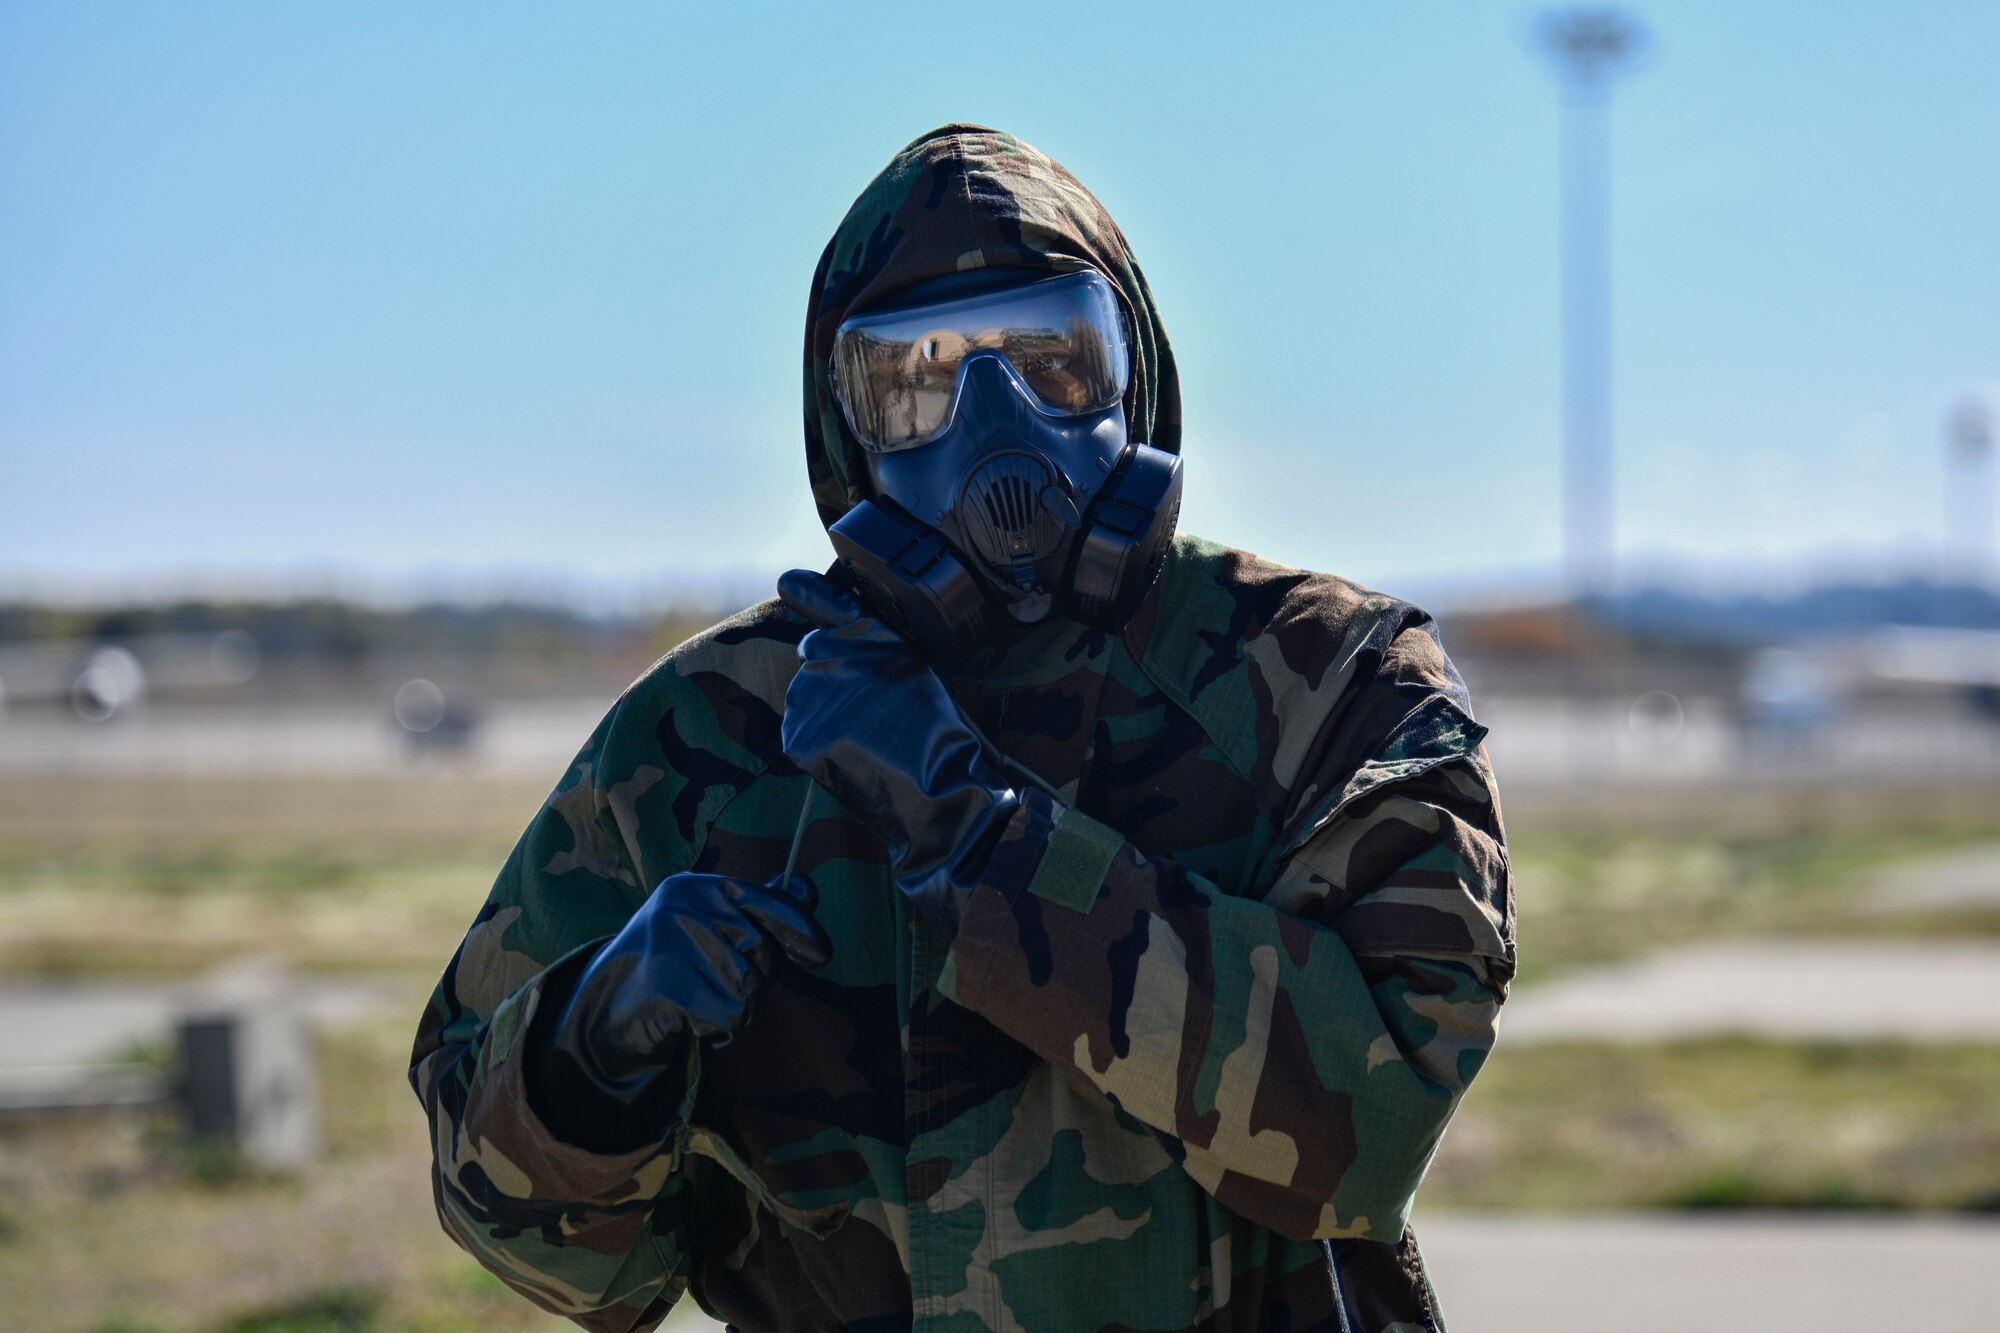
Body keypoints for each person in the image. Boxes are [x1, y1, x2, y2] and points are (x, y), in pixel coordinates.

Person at [409, 123, 1515, 1333]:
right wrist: (593, 1042)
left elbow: (1369, 1133)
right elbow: (552, 1258)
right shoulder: (708, 736)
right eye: (918, 380)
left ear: (1131, 373)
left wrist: (972, 838)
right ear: (847, 436)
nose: (998, 424)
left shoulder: (1328, 677)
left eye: (1054, 358)